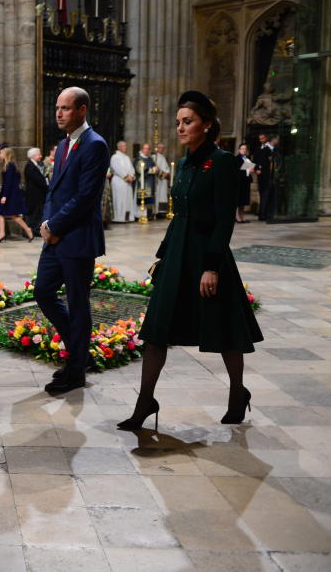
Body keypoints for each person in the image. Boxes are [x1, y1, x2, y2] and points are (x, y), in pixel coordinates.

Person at [119, 91, 263, 431]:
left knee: (226, 331)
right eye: (179, 122)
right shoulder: (182, 164)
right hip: (178, 256)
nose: (181, 128)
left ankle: (237, 393)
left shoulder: (223, 161)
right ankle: (145, 402)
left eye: (188, 121)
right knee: (155, 332)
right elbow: (178, 215)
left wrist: (212, 266)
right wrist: (162, 256)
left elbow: (224, 217)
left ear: (207, 125)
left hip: (207, 257)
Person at [35, 86, 110, 394]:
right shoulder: (65, 144)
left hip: (77, 238)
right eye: (57, 107)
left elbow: (85, 197)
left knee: (78, 305)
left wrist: (54, 224)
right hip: (55, 238)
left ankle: (76, 370)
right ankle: (79, 353)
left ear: (82, 110)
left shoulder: (95, 145)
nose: (58, 113)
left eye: (65, 108)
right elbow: (56, 190)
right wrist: (47, 223)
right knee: (43, 292)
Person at [0, 145, 33, 243]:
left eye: (1, 153)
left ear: (6, 154)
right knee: (2, 213)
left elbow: (9, 182)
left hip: (11, 194)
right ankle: (2, 233)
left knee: (12, 215)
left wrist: (4, 196)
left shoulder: (9, 166)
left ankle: (28, 229)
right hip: (11, 193)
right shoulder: (10, 165)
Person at [109, 141, 136, 222]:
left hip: (128, 182)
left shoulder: (127, 157)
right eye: (123, 146)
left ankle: (128, 217)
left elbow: (131, 169)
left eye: (125, 146)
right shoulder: (115, 157)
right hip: (119, 181)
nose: (125, 147)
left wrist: (132, 176)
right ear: (119, 147)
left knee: (128, 200)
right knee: (120, 200)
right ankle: (119, 218)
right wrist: (127, 177)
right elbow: (117, 169)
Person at [23, 147, 48, 234]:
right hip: (33, 194)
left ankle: (36, 229)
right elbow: (37, 180)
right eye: (39, 154)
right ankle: (32, 230)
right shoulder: (30, 166)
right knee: (34, 213)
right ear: (33, 156)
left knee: (38, 213)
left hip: (38, 194)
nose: (41, 156)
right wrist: (46, 185)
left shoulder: (36, 165)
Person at [255, 135, 278, 220]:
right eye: (260, 138)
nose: (261, 140)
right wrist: (256, 169)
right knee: (264, 195)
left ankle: (267, 214)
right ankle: (262, 214)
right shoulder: (262, 149)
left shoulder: (273, 149)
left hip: (271, 176)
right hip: (263, 177)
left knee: (269, 195)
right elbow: (256, 161)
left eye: (263, 138)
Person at [135, 143, 158, 218]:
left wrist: (156, 169)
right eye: (145, 148)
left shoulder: (150, 159)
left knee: (149, 199)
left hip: (150, 182)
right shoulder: (139, 159)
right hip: (142, 182)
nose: (147, 150)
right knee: (142, 198)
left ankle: (148, 215)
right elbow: (141, 170)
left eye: (148, 149)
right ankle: (140, 215)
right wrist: (153, 170)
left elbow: (156, 168)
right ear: (142, 149)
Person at [236, 143, 254, 223]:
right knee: (238, 201)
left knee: (243, 201)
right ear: (239, 150)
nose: (244, 150)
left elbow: (250, 168)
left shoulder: (247, 158)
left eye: (245, 149)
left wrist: (251, 170)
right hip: (239, 182)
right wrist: (247, 170)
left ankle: (242, 217)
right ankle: (237, 217)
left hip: (246, 181)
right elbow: (236, 171)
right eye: (242, 149)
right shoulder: (237, 158)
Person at [154, 143, 171, 215]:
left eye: (163, 148)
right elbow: (156, 169)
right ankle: (157, 212)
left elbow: (167, 169)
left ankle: (162, 212)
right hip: (159, 180)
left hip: (164, 180)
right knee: (159, 196)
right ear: (157, 148)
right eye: (161, 148)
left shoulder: (162, 157)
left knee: (163, 196)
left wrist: (168, 174)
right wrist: (163, 175)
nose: (162, 149)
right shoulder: (155, 157)